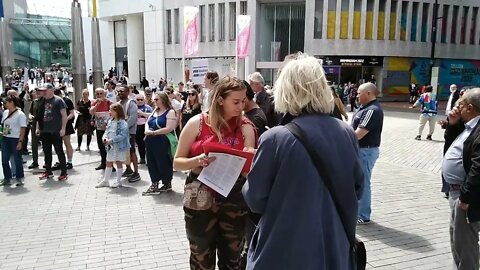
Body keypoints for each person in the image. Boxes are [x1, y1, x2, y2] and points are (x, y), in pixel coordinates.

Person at [242, 54, 363, 269]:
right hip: (333, 247)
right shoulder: (347, 133)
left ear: (285, 90)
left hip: (283, 250)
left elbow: (255, 198)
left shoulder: (274, 138)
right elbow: (357, 188)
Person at [174, 76, 257, 270]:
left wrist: (250, 160)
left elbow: (247, 172)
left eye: (243, 101)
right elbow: (177, 162)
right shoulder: (197, 123)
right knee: (201, 258)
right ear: (220, 100)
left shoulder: (246, 127)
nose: (241, 107)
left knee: (233, 259)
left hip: (234, 200)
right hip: (200, 201)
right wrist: (197, 160)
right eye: (235, 102)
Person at [442, 88, 480, 269]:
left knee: (465, 244)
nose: (458, 107)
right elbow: (451, 147)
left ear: (470, 108)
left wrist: (465, 198)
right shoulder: (468, 126)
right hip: (457, 192)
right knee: (457, 239)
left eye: (461, 104)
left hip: (466, 196)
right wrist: (453, 123)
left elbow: (478, 167)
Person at [352, 82, 384, 225]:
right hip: (361, 150)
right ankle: (358, 212)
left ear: (368, 93)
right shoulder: (365, 108)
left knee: (363, 182)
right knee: (358, 181)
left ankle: (363, 215)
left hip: (365, 151)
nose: (357, 95)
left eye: (359, 93)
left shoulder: (372, 110)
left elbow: (359, 134)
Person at [142, 92, 177, 195]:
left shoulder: (170, 112)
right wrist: (147, 131)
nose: (155, 101)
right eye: (154, 99)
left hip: (162, 140)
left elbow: (169, 128)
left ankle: (167, 183)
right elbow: (147, 123)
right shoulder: (154, 111)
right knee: (151, 162)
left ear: (163, 99)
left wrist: (154, 132)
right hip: (150, 140)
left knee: (163, 162)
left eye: (157, 99)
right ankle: (154, 183)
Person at [36, 83, 68, 181]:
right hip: (44, 130)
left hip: (55, 130)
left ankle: (64, 172)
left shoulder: (58, 100)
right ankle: (48, 171)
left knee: (59, 151)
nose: (43, 92)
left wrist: (63, 128)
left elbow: (64, 115)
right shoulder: (41, 101)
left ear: (51, 90)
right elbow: (39, 116)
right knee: (47, 152)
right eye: (42, 91)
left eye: (45, 90)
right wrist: (38, 128)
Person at [95, 103, 130, 188]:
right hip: (110, 146)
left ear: (117, 111)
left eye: (111, 110)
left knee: (118, 162)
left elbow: (123, 135)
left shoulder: (122, 123)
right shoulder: (110, 121)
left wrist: (112, 140)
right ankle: (105, 181)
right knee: (108, 161)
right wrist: (105, 138)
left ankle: (118, 181)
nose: (109, 112)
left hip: (119, 146)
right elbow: (107, 131)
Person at [0, 96, 27, 186]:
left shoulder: (20, 114)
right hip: (5, 138)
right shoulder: (5, 112)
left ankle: (19, 178)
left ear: (11, 102)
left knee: (17, 159)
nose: (4, 105)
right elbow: (5, 125)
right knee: (4, 160)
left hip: (15, 138)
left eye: (6, 102)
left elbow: (23, 128)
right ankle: (7, 178)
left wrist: (20, 141)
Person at [117, 86, 141, 182]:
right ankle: (128, 169)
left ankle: (136, 172)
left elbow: (133, 117)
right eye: (118, 91)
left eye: (122, 91)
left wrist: (124, 127)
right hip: (120, 132)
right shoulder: (118, 104)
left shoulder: (131, 103)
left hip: (130, 131)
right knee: (123, 150)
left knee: (132, 151)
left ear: (127, 92)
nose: (119, 93)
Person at [89, 88, 112, 170]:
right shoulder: (94, 102)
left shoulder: (109, 102)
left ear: (104, 94)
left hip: (108, 128)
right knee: (101, 146)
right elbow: (91, 112)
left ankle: (110, 165)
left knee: (109, 147)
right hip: (99, 128)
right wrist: (97, 104)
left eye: (100, 93)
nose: (99, 95)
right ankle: (103, 163)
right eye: (97, 94)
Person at [52, 88, 75, 170]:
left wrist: (65, 119)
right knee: (58, 144)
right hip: (56, 125)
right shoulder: (52, 102)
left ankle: (69, 161)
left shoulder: (67, 101)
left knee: (67, 143)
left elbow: (72, 113)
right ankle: (61, 161)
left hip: (66, 125)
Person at [135, 93, 153, 164]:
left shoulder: (147, 107)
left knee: (146, 143)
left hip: (145, 126)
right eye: (138, 99)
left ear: (144, 100)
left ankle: (148, 159)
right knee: (139, 143)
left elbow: (152, 115)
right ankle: (142, 158)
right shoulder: (134, 107)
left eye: (141, 99)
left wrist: (142, 114)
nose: (139, 101)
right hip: (136, 127)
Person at [28, 89, 43, 169]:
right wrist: (30, 116)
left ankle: (47, 162)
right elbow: (30, 112)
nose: (37, 94)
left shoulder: (45, 101)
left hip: (43, 124)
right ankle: (35, 161)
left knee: (46, 144)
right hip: (34, 124)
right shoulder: (34, 102)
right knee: (34, 144)